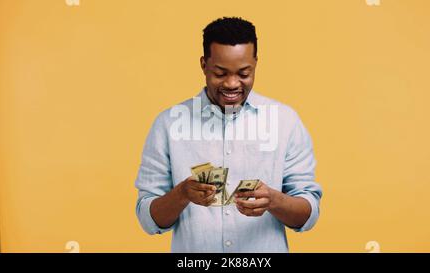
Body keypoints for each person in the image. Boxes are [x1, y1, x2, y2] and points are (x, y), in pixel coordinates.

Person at [135, 17, 322, 252]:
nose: (232, 83)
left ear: (256, 63)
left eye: (244, 73)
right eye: (220, 73)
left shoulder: (285, 121)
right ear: (204, 65)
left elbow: (309, 214)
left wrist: (274, 200)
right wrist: (182, 194)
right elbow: (148, 219)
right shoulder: (168, 124)